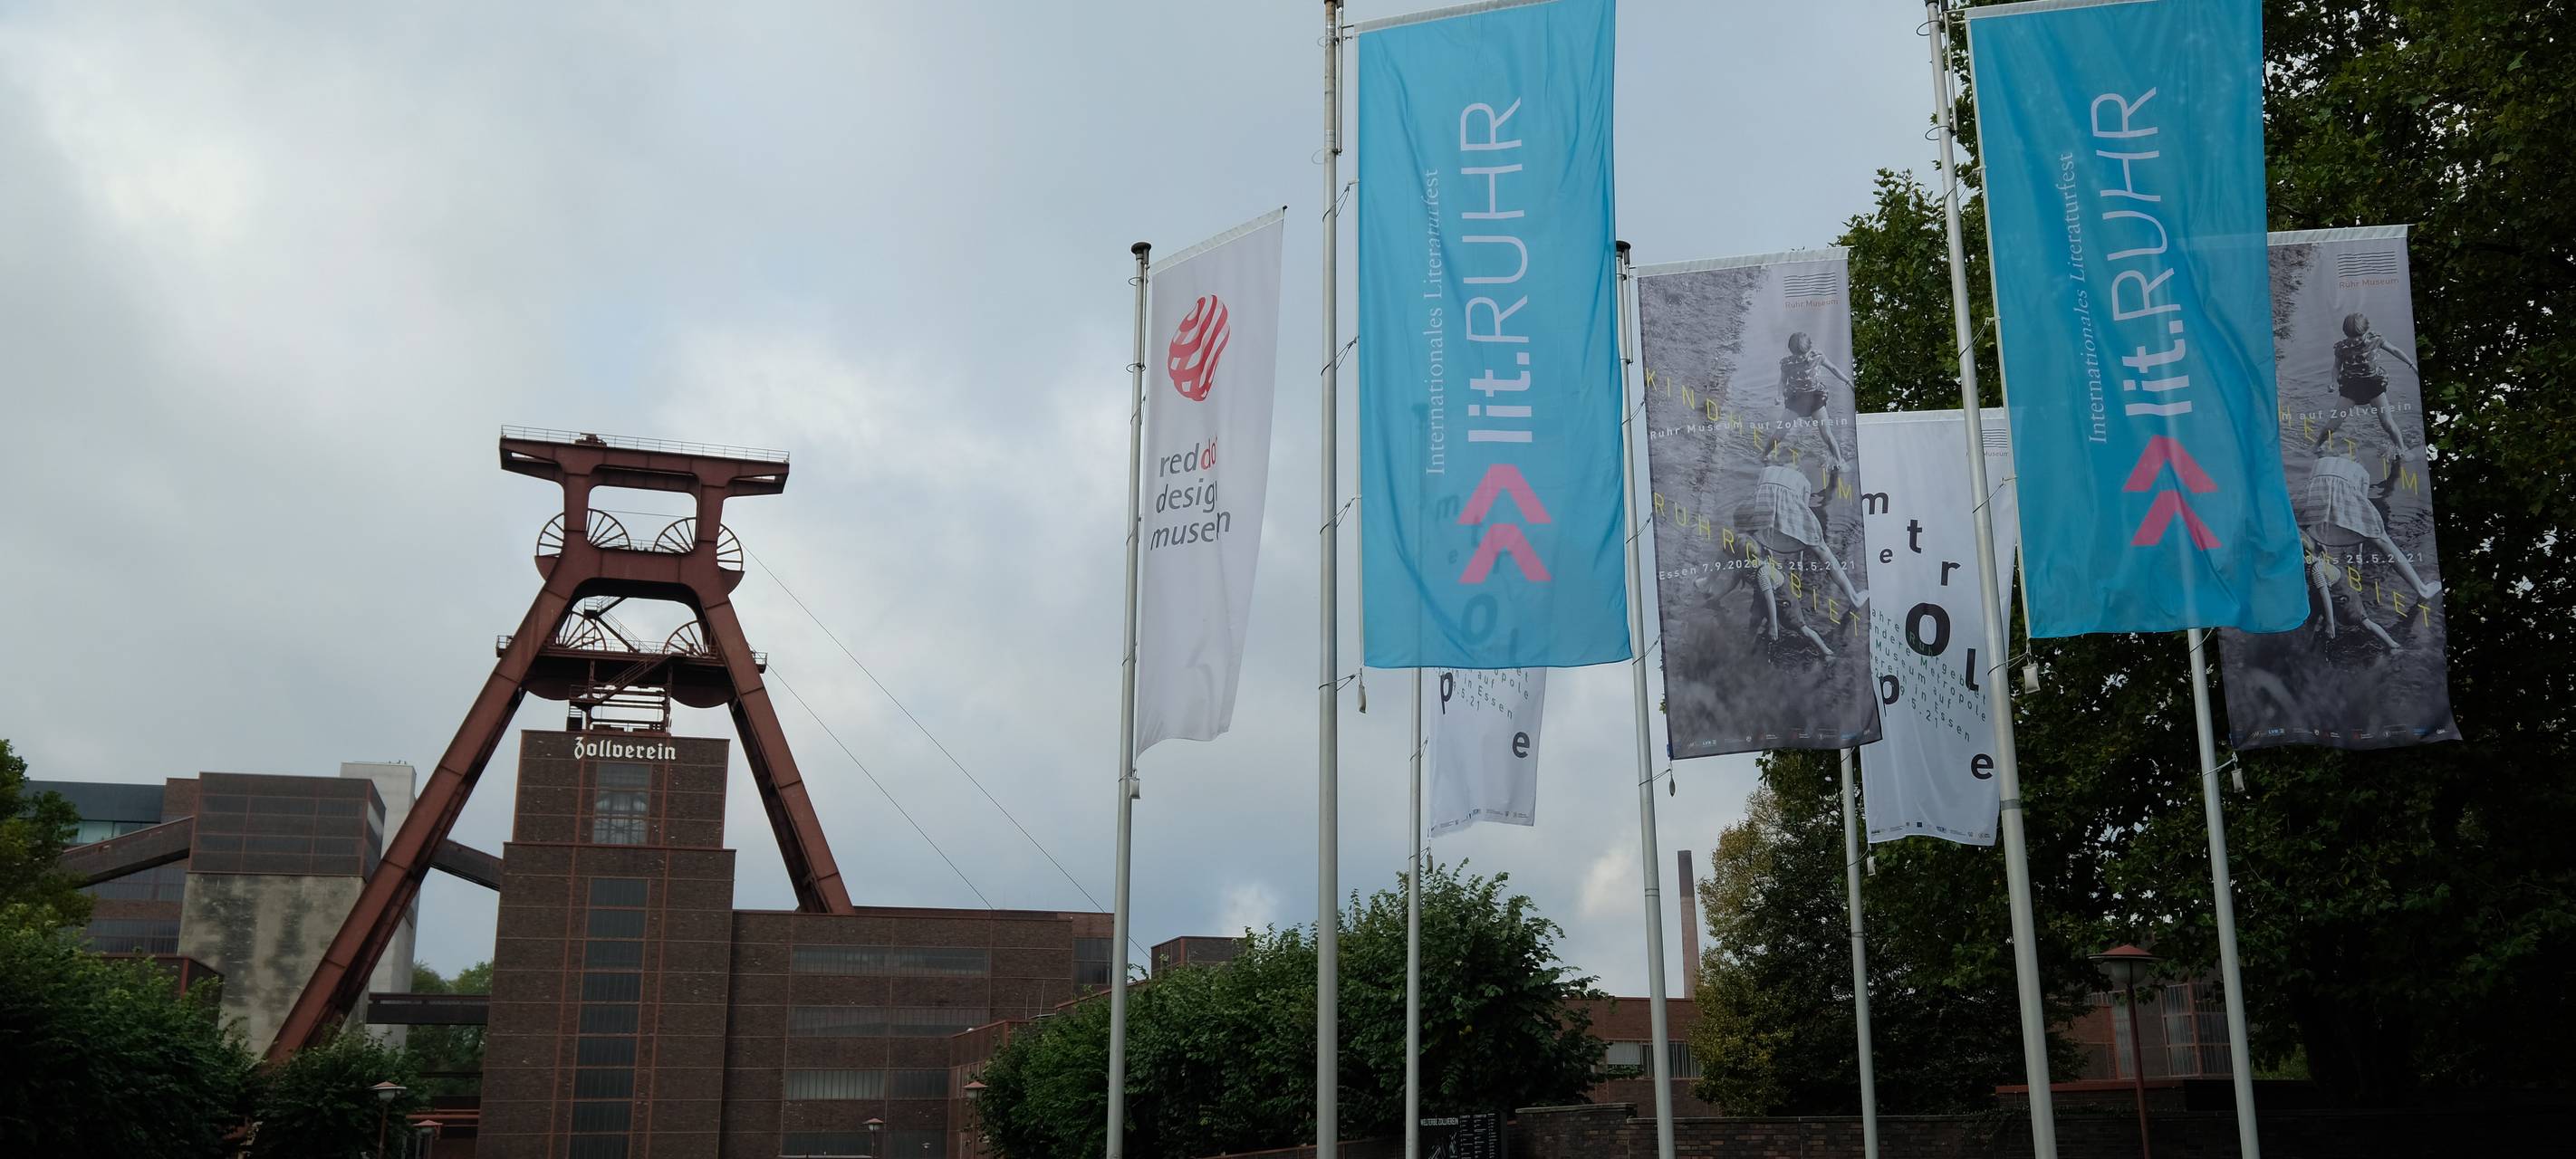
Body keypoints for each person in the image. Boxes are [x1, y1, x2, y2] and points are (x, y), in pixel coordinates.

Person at [2298, 420, 2439, 651]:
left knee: (2305, 536)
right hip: (2344, 493)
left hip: (2313, 496)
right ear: (2354, 459)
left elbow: (2327, 503)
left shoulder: (2321, 462)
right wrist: (2361, 550)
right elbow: (2360, 509)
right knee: (2381, 537)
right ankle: (2422, 589)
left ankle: (2303, 584)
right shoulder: (2360, 471)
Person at [2335, 311, 2421, 458]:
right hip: (2351, 386)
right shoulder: (2342, 348)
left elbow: (2394, 350)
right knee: (2334, 422)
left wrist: (2412, 364)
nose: (2355, 341)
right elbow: (2336, 366)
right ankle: (2317, 446)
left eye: (2358, 337)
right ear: (2345, 333)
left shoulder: (2375, 340)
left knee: (2387, 423)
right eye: (2351, 337)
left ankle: (2402, 449)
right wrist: (2333, 381)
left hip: (2374, 384)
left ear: (2366, 331)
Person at [1777, 330, 1853, 474]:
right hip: (1795, 399)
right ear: (1791, 351)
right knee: (1779, 433)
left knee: (1827, 434)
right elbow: (1782, 381)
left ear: (1809, 349)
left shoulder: (1818, 357)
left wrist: (1849, 382)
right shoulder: (1787, 363)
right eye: (1796, 355)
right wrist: (1778, 395)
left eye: (1803, 354)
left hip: (1815, 397)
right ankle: (1764, 455)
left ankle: (1839, 461)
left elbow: (1834, 368)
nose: (1800, 358)